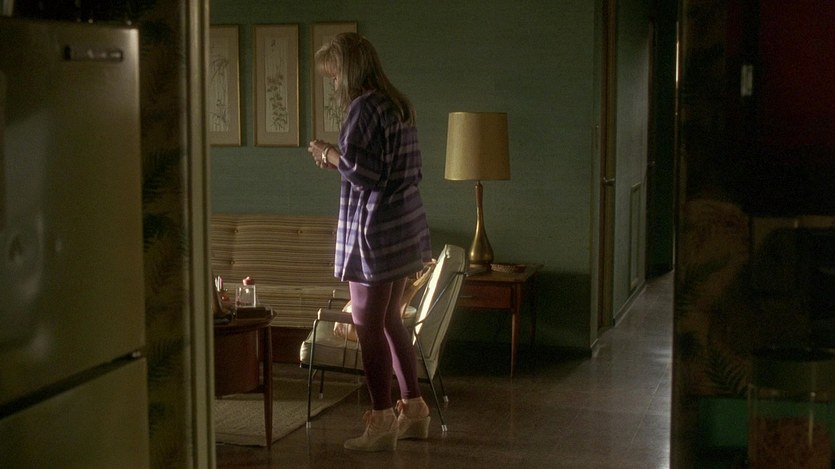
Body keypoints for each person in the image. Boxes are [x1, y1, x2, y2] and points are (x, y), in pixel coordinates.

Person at [307, 32, 433, 452]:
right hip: (403, 225)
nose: (333, 83)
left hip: (374, 230)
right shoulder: (400, 105)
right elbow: (387, 168)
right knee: (391, 319)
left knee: (366, 325)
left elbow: (365, 174)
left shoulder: (363, 108)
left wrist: (328, 153)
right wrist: (343, 162)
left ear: (348, 71)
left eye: (333, 75)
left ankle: (380, 421)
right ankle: (414, 409)